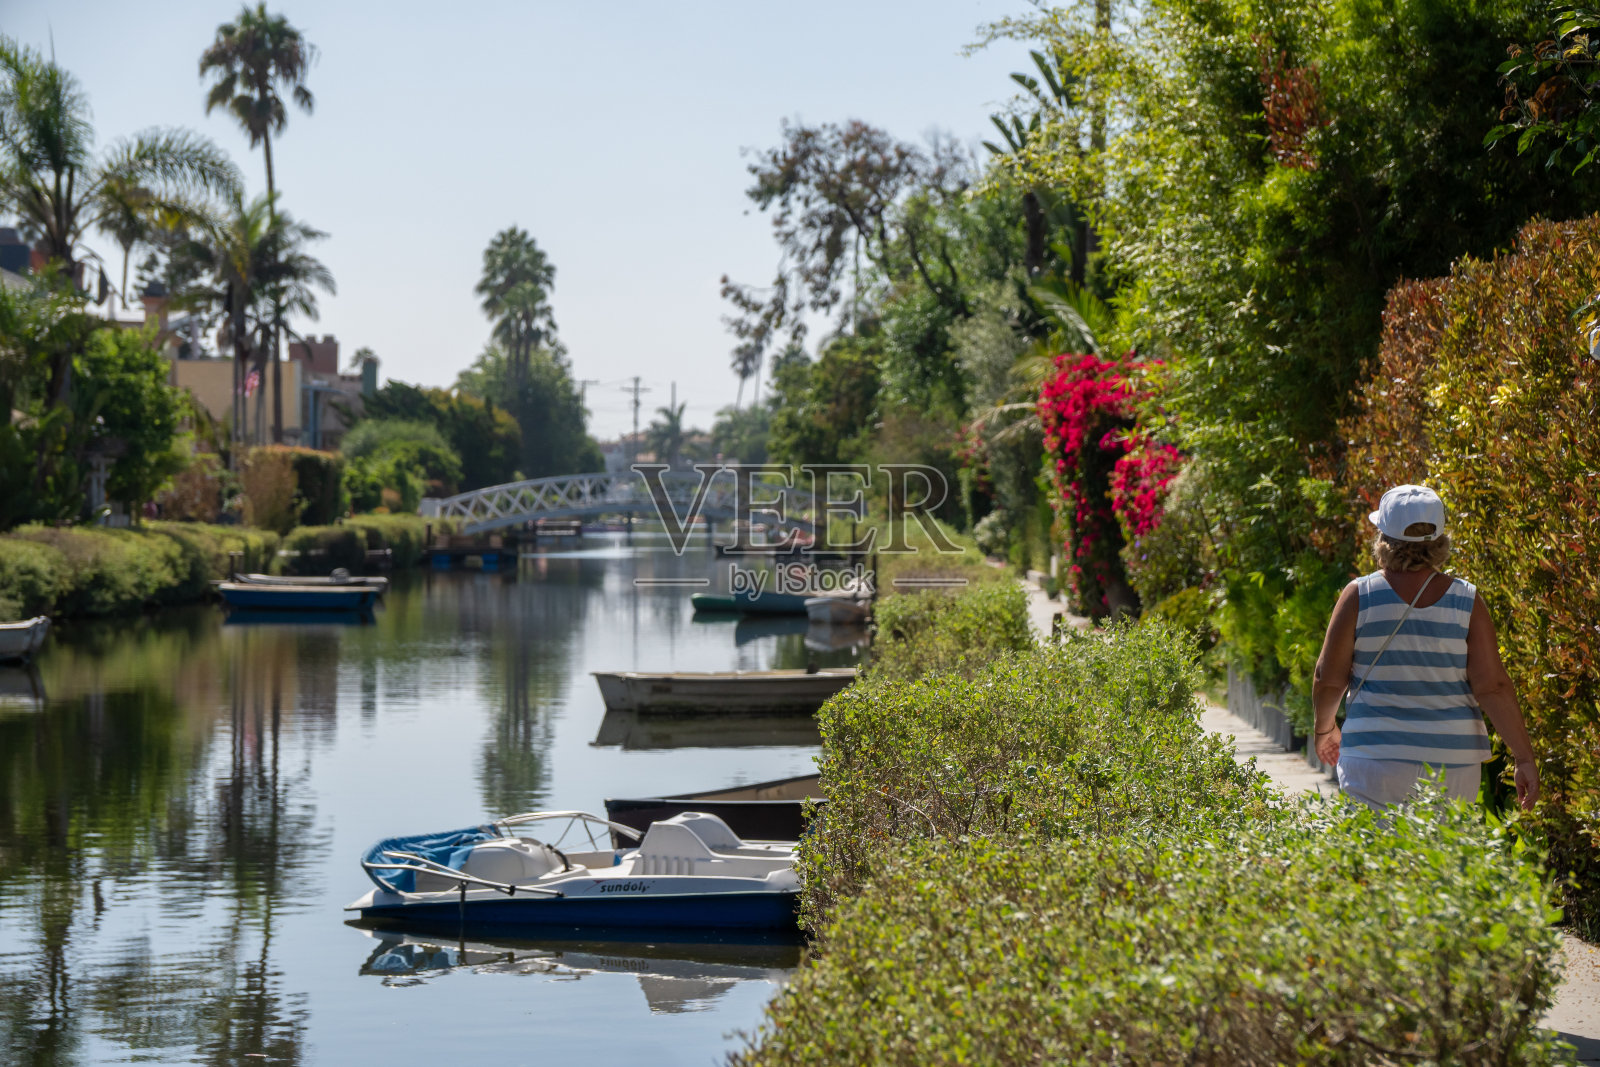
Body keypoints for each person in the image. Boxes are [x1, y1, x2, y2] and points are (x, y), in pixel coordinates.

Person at [1311, 484, 1539, 811]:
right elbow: (1493, 686)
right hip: (1452, 763)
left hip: (1375, 757)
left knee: (1377, 858)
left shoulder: (1359, 595)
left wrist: (1325, 730)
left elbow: (1328, 678)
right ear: (1440, 539)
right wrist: (1524, 758)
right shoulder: (1466, 600)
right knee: (1444, 859)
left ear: (1383, 538)